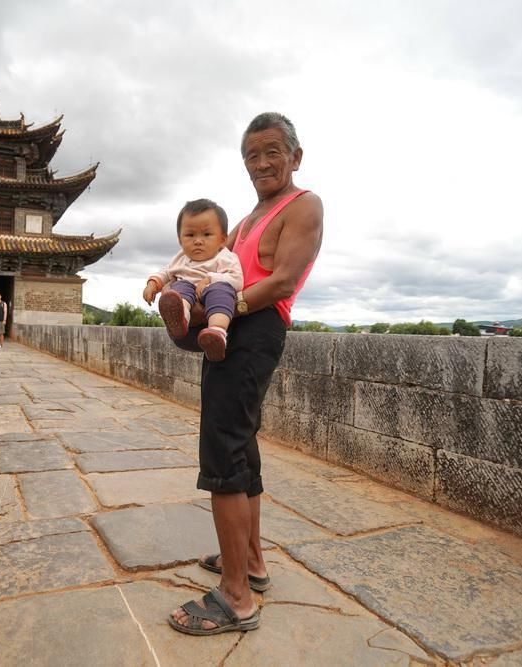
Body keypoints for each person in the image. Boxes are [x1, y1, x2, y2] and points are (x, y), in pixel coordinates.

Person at [168, 112, 324, 636]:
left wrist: (222, 310)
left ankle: (235, 598)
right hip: (236, 328)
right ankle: (251, 564)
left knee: (223, 449)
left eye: (272, 152)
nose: (261, 163)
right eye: (252, 156)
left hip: (254, 329)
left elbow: (282, 282)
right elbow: (214, 261)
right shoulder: (252, 214)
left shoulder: (303, 205)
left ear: (295, 156)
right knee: (242, 446)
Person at [142, 199, 244, 362]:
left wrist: (210, 279)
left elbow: (237, 280)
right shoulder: (180, 259)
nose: (198, 241)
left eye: (207, 234)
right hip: (189, 313)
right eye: (190, 235)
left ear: (222, 239)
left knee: (222, 290)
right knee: (179, 288)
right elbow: (166, 272)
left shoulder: (225, 257)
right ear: (180, 240)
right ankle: (180, 320)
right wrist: (153, 283)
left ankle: (217, 333)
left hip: (211, 305)